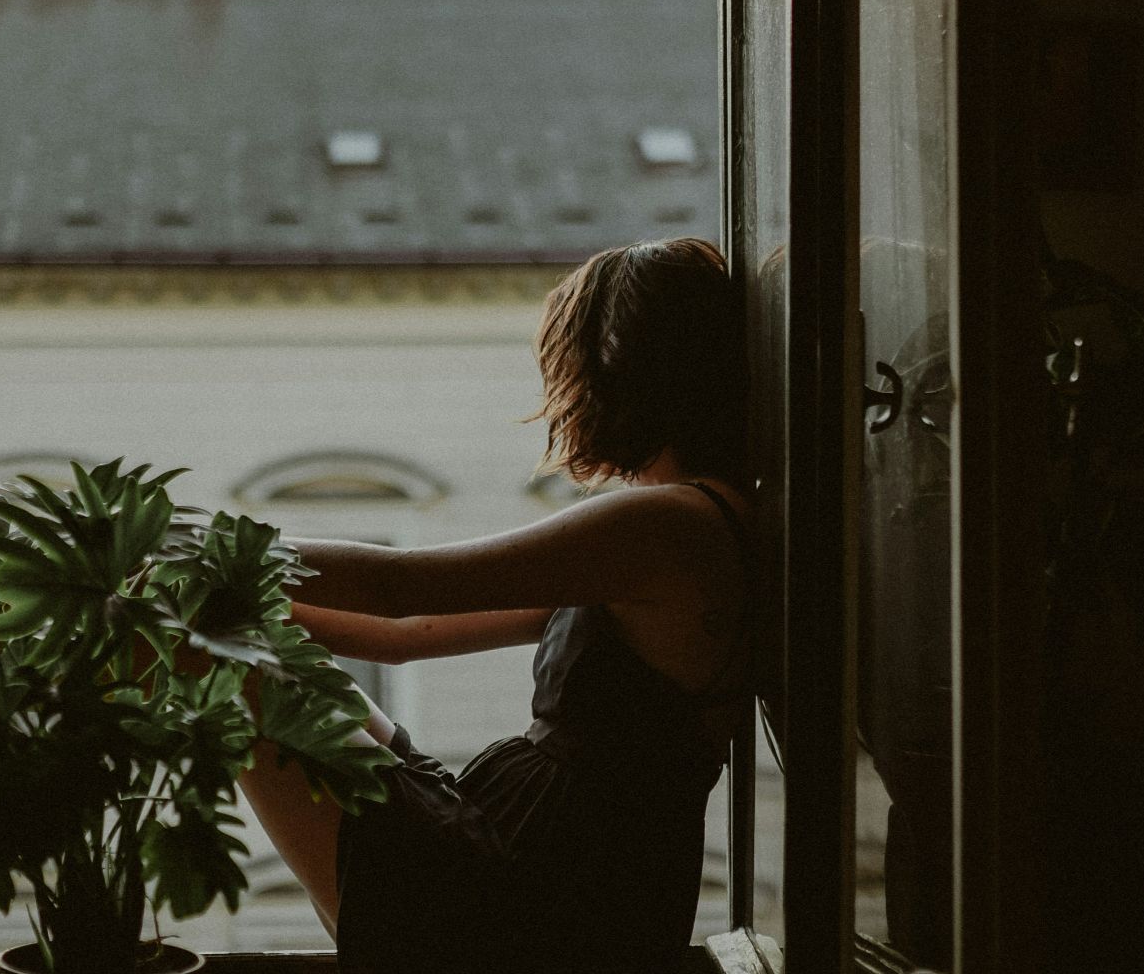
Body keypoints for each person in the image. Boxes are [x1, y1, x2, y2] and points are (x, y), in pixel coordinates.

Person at [237, 237, 766, 973]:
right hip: (547, 870)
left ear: (611, 372)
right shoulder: (692, 525)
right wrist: (245, 610)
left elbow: (401, 586)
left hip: (537, 894)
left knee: (217, 660)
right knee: (231, 642)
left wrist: (212, 553)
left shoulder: (666, 525)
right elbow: (403, 636)